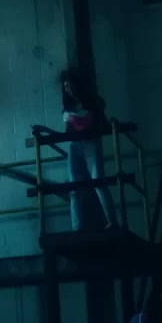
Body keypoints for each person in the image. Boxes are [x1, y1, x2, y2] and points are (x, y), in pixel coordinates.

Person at [60, 68, 117, 231]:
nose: (69, 89)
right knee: (74, 187)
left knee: (98, 182)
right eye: (66, 87)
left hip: (91, 144)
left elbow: (102, 122)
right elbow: (67, 131)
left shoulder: (93, 103)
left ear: (78, 85)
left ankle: (112, 221)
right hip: (75, 146)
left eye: (71, 85)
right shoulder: (68, 109)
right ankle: (76, 227)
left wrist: (107, 124)